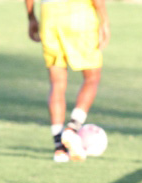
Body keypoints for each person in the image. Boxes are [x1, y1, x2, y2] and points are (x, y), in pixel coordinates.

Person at [26, 0, 110, 163]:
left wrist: (31, 17)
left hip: (49, 14)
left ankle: (59, 148)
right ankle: (72, 128)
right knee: (92, 77)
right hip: (79, 13)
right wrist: (105, 20)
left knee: (57, 83)